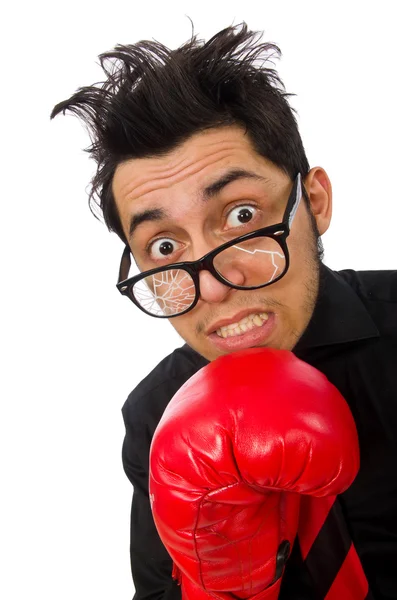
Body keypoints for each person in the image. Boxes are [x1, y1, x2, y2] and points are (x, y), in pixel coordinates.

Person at [51, 23, 397, 600]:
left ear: (313, 202)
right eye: (165, 247)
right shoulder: (154, 415)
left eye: (240, 216)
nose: (212, 287)